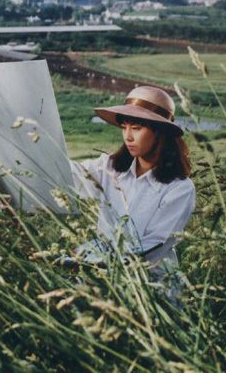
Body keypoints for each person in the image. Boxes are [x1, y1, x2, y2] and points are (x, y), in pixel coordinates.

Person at [67, 86, 196, 279]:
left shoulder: (179, 189)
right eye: (124, 127)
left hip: (153, 287)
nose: (128, 136)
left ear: (159, 133)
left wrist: (92, 257)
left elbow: (154, 244)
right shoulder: (108, 168)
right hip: (103, 278)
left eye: (136, 128)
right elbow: (67, 174)